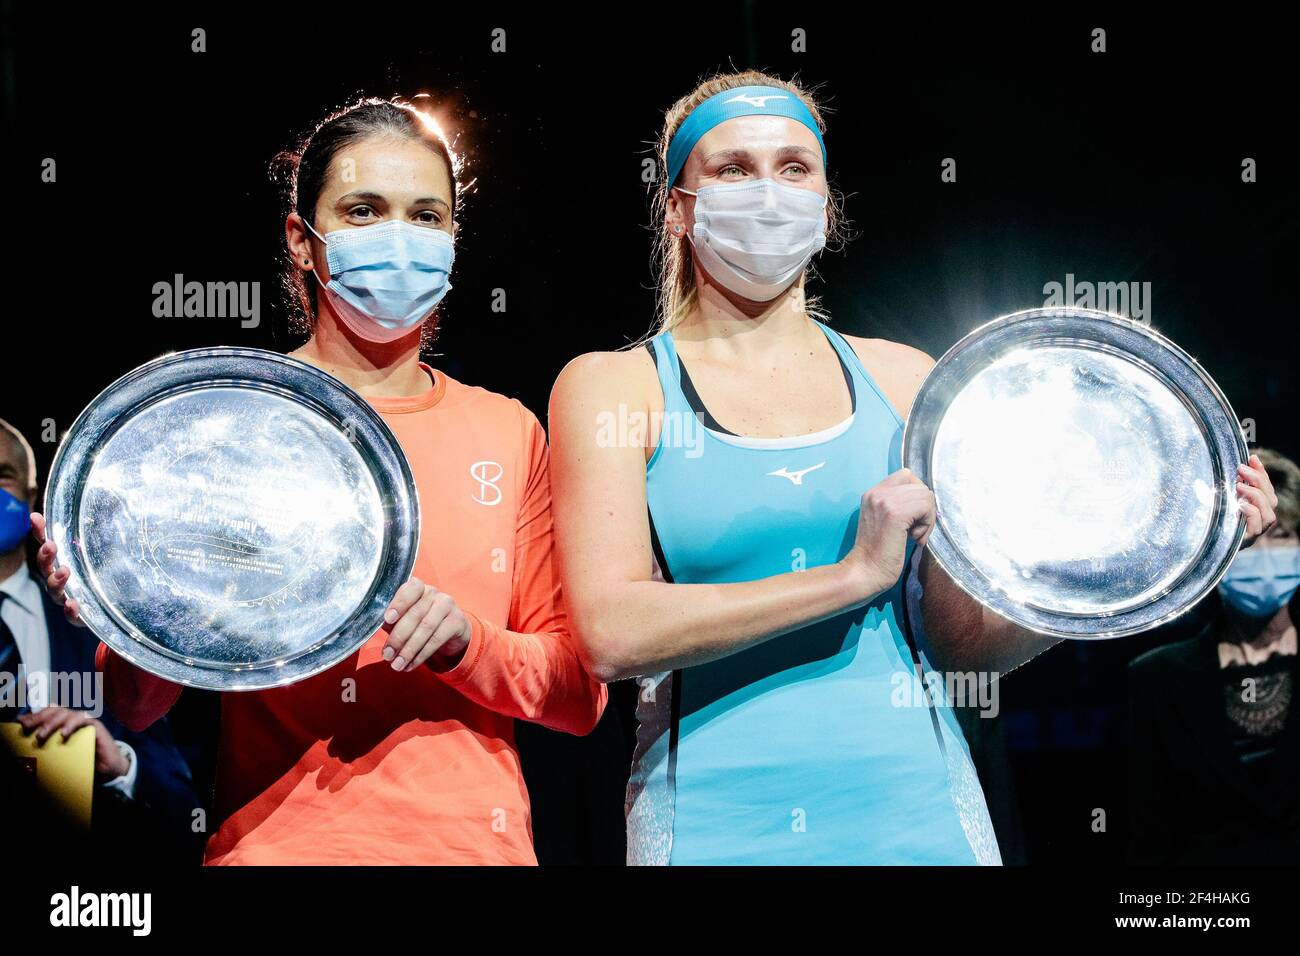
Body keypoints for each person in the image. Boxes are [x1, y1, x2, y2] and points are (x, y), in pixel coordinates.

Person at [547, 70, 1279, 864]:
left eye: (795, 167)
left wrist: (1165, 548)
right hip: (714, 827)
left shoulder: (905, 380)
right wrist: (851, 577)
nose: (769, 191)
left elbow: (961, 643)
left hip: (921, 819)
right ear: (680, 209)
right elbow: (609, 635)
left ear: (826, 204)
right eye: (734, 168)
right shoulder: (614, 387)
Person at [33, 97, 606, 865]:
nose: (398, 237)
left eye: (426, 215)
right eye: (364, 211)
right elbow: (135, 707)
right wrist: (126, 601)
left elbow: (577, 695)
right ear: (304, 241)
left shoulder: (507, 431)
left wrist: (467, 645)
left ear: (453, 240)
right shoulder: (229, 421)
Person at [1, 419, 201, 861]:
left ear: (32, 498)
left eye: (2, 475)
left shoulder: (96, 626)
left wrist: (122, 767)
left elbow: (183, 802)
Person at [1128, 447, 1300, 864]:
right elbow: (1146, 830)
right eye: (1246, 538)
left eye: (1281, 536)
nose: (1261, 552)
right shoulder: (1157, 678)